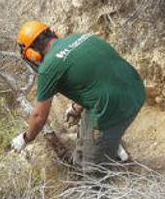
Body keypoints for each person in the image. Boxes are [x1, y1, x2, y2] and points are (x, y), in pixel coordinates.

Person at [11, 21, 146, 178]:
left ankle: (104, 193)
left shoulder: (49, 67)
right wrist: (77, 107)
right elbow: (96, 78)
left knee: (91, 170)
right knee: (82, 149)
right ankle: (113, 147)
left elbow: (39, 117)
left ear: (32, 54)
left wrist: (25, 138)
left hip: (112, 108)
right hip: (136, 91)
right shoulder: (82, 37)